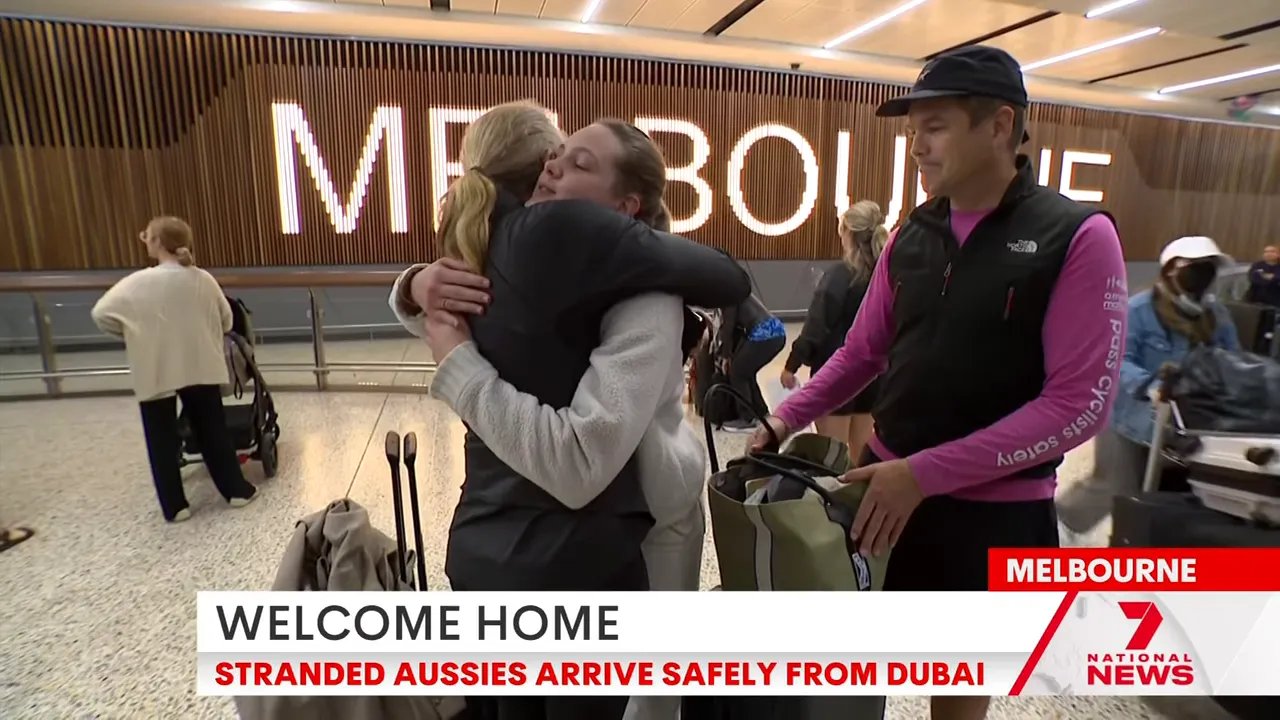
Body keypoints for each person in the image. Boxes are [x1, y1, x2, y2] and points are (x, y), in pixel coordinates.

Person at [748, 45, 1126, 720]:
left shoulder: (1077, 236)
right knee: (853, 679)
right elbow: (863, 352)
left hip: (992, 513)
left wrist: (926, 474)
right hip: (881, 490)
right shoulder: (912, 234)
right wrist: (784, 417)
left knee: (957, 692)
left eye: (936, 126)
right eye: (913, 128)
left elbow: (1079, 408)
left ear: (1000, 126)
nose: (916, 146)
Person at [390, 104, 749, 720]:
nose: (554, 172)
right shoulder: (521, 258)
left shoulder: (638, 292)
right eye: (552, 159)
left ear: (625, 211)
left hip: (641, 531)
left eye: (577, 163)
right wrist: (415, 285)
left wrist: (451, 354)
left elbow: (579, 460)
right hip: (547, 547)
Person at [91, 217, 258, 523]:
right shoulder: (203, 279)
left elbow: (101, 314)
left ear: (156, 243)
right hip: (199, 364)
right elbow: (227, 322)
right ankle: (235, 490)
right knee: (212, 429)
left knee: (161, 436)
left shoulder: (136, 284)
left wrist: (134, 334)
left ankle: (175, 505)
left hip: (155, 367)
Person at [781, 200, 888, 459]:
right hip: (875, 375)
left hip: (837, 372)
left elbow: (816, 326)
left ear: (849, 234)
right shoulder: (885, 273)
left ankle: (835, 499)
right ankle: (860, 499)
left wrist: (791, 365)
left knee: (832, 456)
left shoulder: (839, 275)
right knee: (861, 452)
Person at [714, 293, 785, 432]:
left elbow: (729, 325)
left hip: (764, 333)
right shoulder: (737, 289)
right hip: (775, 330)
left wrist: (725, 355)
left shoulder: (728, 294)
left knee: (738, 373)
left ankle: (747, 419)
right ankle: (761, 413)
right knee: (746, 371)